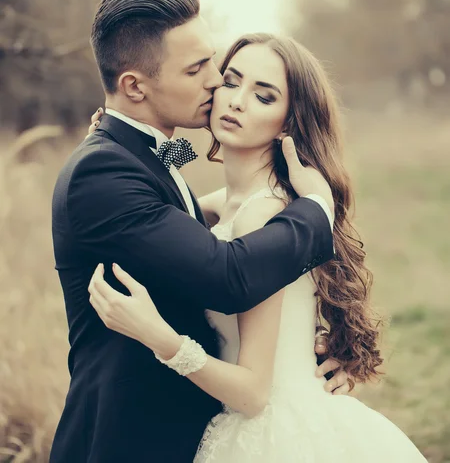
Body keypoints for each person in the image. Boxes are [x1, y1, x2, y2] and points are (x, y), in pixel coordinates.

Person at [88, 33, 428, 462]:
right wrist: (112, 138)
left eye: (263, 96)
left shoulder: (262, 213)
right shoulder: (221, 206)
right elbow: (160, 201)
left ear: (288, 122)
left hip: (272, 435)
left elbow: (252, 394)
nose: (237, 101)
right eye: (231, 82)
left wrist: (160, 337)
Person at [50, 0, 350, 463]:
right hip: (128, 437)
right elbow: (229, 273)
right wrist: (317, 206)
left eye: (216, 64)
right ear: (134, 86)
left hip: (208, 429)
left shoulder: (152, 155)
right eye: (200, 70)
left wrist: (310, 349)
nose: (216, 84)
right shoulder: (103, 171)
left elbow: (199, 205)